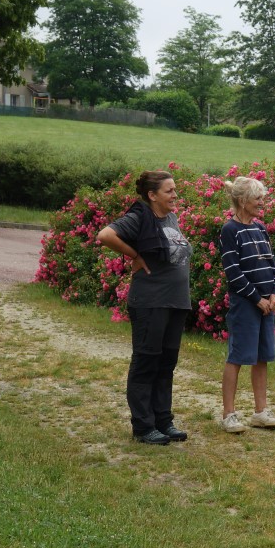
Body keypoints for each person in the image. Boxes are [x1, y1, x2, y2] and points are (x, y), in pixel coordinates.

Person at [97, 170, 192, 445]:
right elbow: (105, 235)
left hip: (175, 301)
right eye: (169, 191)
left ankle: (163, 421)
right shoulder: (139, 216)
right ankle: (143, 426)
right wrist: (134, 255)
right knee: (146, 362)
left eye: (175, 190)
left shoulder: (170, 218)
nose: (175, 195)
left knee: (166, 364)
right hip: (151, 301)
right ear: (152, 195)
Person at [218, 176, 275, 433]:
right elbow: (233, 272)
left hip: (267, 304)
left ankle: (260, 412)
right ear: (243, 201)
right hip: (246, 303)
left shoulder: (260, 229)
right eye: (257, 198)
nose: (262, 202)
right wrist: (257, 299)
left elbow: (272, 264)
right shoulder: (230, 230)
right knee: (237, 357)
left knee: (262, 357)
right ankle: (229, 414)